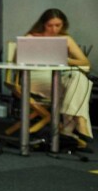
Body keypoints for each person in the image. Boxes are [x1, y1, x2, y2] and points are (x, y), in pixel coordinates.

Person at [23, 8, 93, 145]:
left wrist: (65, 59)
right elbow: (17, 59)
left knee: (79, 78)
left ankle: (71, 126)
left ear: (63, 25)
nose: (54, 29)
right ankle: (77, 123)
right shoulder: (32, 38)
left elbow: (86, 63)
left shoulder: (66, 39)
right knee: (80, 86)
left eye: (58, 25)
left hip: (57, 77)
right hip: (35, 78)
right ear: (43, 24)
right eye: (50, 25)